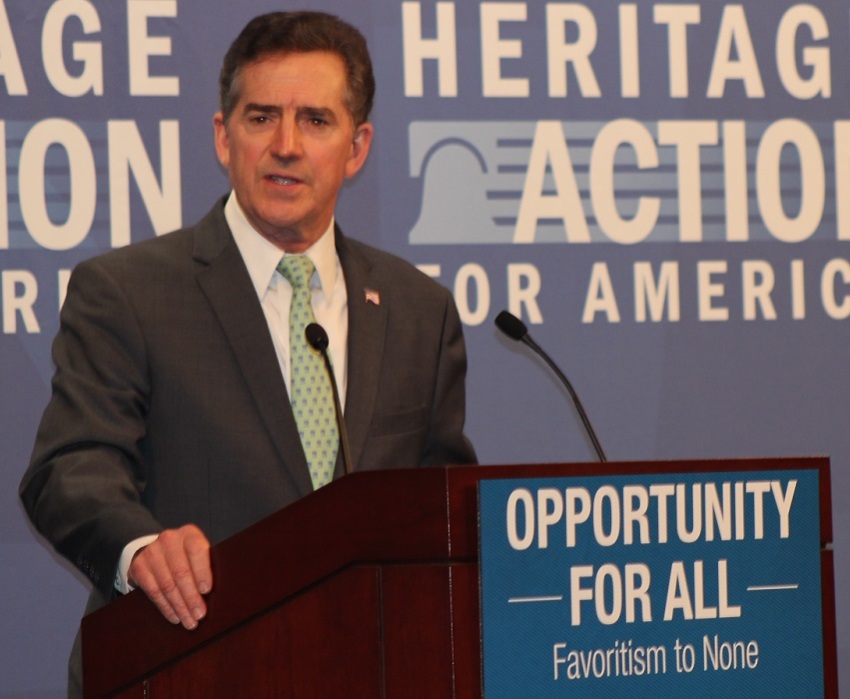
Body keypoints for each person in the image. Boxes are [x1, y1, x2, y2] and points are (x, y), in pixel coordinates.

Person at [19, 11, 476, 696]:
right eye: (262, 117)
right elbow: (69, 468)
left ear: (357, 147)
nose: (286, 145)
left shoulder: (418, 311)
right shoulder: (127, 292)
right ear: (222, 136)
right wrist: (142, 548)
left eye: (316, 121)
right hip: (187, 666)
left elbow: (439, 511)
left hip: (369, 672)